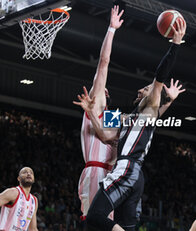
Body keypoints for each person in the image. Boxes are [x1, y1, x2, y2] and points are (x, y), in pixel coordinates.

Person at [75, 18, 186, 231]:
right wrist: (169, 101)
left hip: (123, 170)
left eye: (144, 89)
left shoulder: (144, 107)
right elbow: (110, 135)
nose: (140, 90)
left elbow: (105, 63)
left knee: (94, 220)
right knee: (122, 224)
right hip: (131, 174)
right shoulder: (123, 117)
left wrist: (175, 46)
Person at [72, 5, 124, 221]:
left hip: (109, 173)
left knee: (106, 222)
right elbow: (102, 65)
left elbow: (117, 144)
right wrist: (111, 30)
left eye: (102, 88)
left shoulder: (112, 115)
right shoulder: (94, 107)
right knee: (96, 221)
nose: (99, 86)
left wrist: (111, 30)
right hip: (95, 172)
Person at [0, 167, 38, 231]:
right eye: (24, 172)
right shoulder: (13, 192)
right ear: (19, 178)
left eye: (31, 173)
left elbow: (33, 228)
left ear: (34, 179)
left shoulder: (34, 200)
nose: (28, 174)